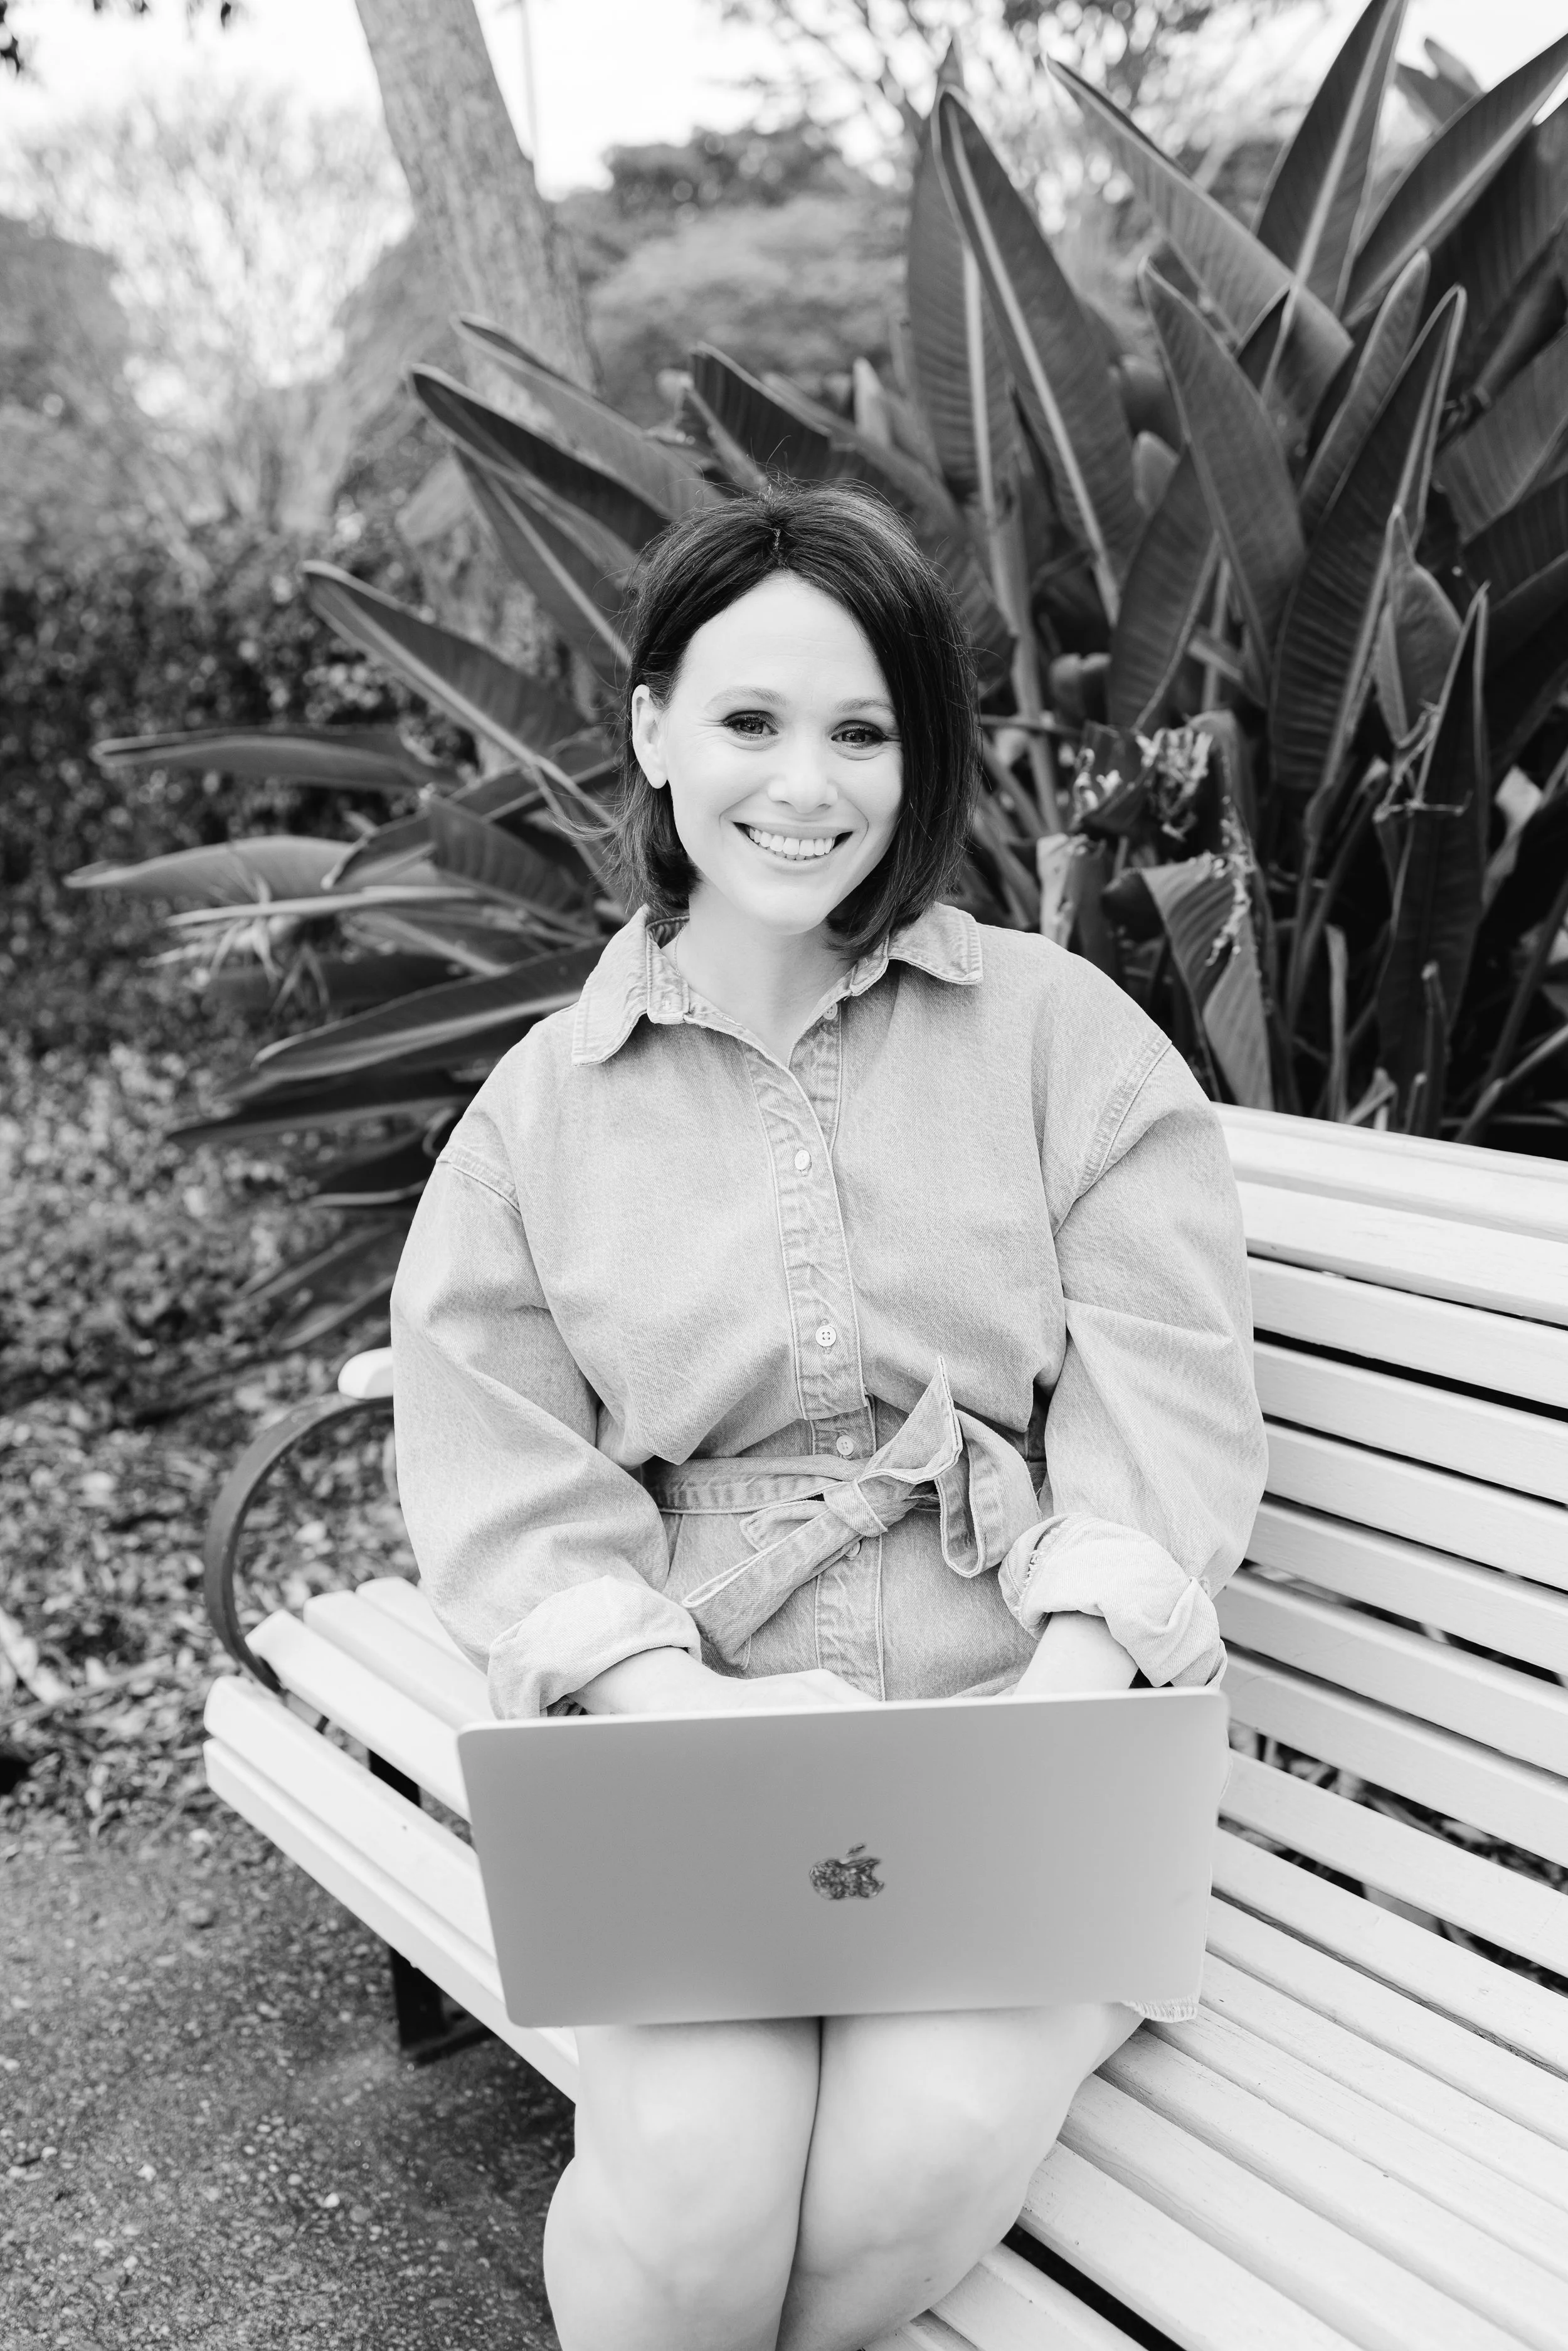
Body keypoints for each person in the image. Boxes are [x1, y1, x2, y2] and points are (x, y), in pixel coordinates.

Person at [389, 480, 1269, 2351]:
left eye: (862, 729)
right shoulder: (543, 1112)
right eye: (749, 721)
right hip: (687, 1731)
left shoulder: (1062, 1037)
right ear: (650, 730)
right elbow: (503, 1476)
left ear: (919, 753)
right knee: (700, 2172)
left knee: (917, 2151)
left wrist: (1052, 1712)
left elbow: (1161, 1398)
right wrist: (681, 1709)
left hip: (1034, 1700)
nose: (808, 785)